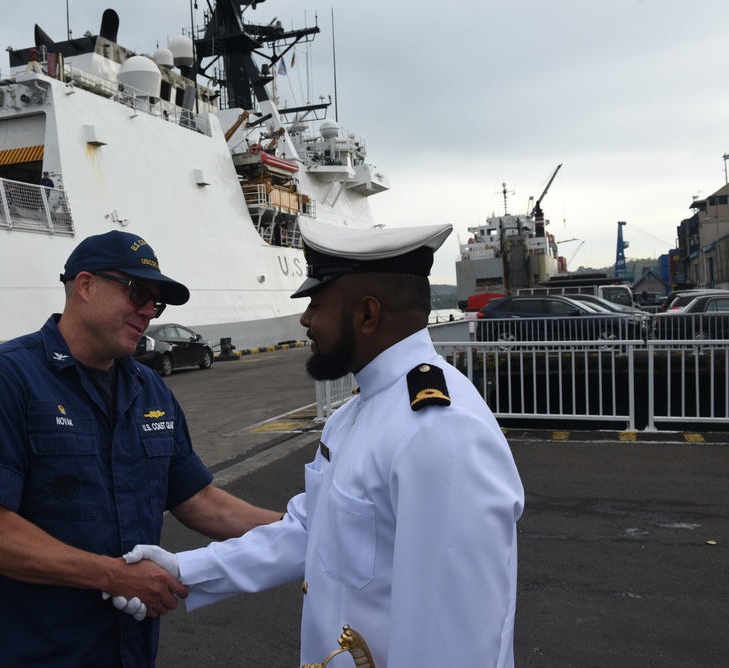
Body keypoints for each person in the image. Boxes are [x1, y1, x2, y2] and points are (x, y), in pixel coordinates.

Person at [127, 219, 525, 667]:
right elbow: (310, 532)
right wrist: (183, 571)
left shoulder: (438, 431)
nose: (305, 319)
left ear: (367, 314)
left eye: (316, 303)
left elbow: (458, 640)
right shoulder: (352, 417)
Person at [0, 230, 281, 667]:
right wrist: (113, 576)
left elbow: (197, 499)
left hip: (124, 653)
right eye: (137, 293)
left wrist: (304, 527)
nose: (147, 312)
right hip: (25, 652)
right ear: (85, 286)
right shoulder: (1, 380)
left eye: (155, 303)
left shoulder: (149, 388)